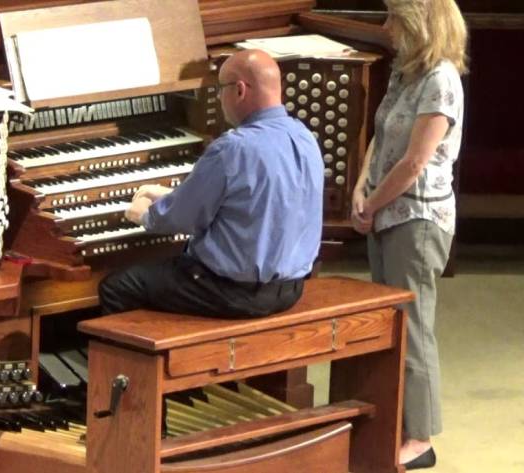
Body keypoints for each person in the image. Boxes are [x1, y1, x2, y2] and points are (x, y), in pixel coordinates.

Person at [98, 49, 324, 319]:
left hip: (229, 292)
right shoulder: (304, 137)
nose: (218, 97)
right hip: (289, 289)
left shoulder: (234, 148)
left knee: (117, 287)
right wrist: (171, 194)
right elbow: (257, 199)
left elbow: (181, 219)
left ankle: (154, 359)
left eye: (220, 88)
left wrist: (145, 215)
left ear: (239, 90)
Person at [351, 0, 468, 469]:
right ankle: (396, 417)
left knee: (414, 329)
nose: (386, 28)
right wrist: (361, 187)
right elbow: (380, 136)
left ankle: (421, 438)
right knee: (392, 323)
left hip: (417, 222)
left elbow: (416, 161)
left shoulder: (441, 80)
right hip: (385, 213)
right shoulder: (405, 71)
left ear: (418, 24)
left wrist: (374, 203)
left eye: (393, 18)